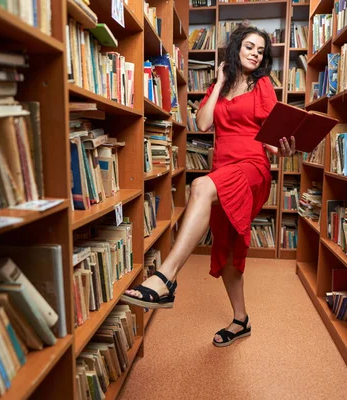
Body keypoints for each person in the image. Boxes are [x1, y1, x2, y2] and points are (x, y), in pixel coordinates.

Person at [121, 25, 296, 347]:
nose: (256, 53)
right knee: (227, 252)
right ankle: (241, 320)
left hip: (252, 167)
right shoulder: (220, 84)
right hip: (223, 169)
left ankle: (165, 278)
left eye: (261, 50)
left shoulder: (263, 85)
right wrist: (219, 81)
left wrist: (284, 149)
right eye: (249, 47)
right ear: (235, 50)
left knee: (199, 186)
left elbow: (272, 140)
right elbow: (202, 123)